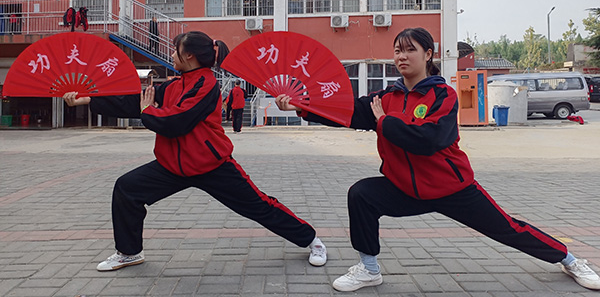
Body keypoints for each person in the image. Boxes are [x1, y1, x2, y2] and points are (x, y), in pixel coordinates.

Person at [275, 27, 600, 292]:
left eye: (410, 50)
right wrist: (302, 106)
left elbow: (431, 139)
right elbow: (346, 111)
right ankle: (369, 269)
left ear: (428, 54)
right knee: (361, 195)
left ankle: (570, 260)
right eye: (397, 50)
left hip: (451, 188)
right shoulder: (385, 97)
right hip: (405, 188)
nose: (402, 56)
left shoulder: (443, 95)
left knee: (508, 228)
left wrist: (385, 122)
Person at [63, 31, 327, 272]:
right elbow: (138, 100)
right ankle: (129, 253)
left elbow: (176, 122)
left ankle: (312, 240)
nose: (172, 55)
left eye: (175, 50)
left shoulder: (206, 84)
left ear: (189, 55)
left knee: (258, 205)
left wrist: (147, 111)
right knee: (126, 189)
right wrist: (89, 99)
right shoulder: (174, 85)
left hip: (211, 165)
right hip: (173, 166)